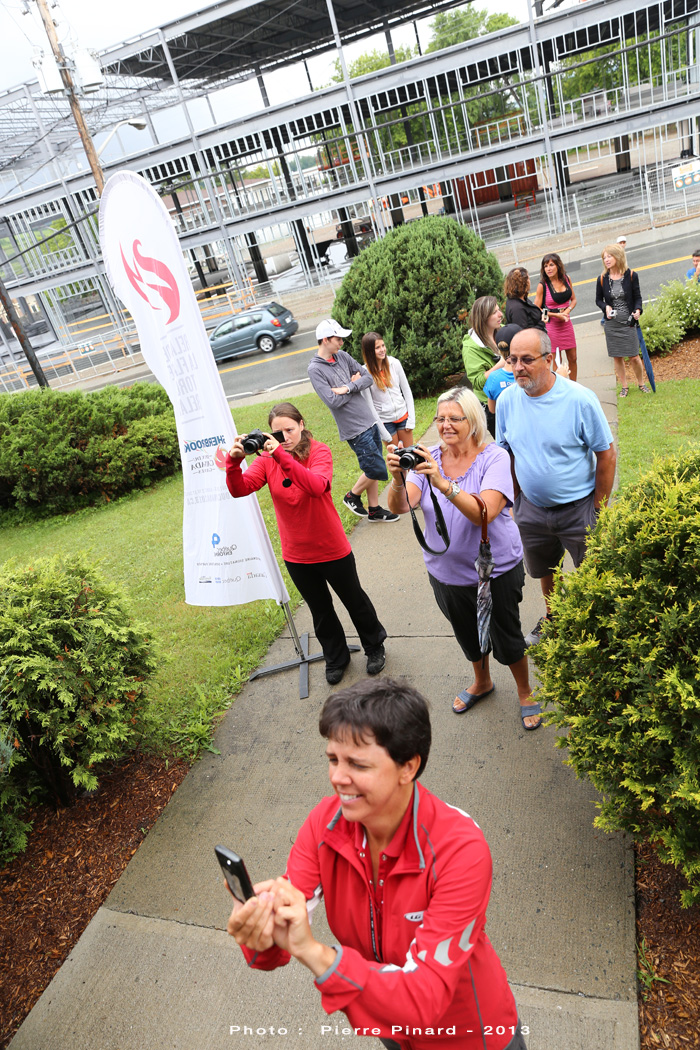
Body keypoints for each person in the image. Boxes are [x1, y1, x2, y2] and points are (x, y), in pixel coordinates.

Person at [226, 677, 528, 1050]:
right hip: (389, 1024)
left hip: (471, 1036)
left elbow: (424, 997)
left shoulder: (460, 851)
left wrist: (317, 954)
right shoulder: (325, 824)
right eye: (333, 759)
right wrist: (260, 929)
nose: (337, 777)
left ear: (409, 767)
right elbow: (276, 943)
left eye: (357, 764)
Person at [386, 386, 541, 729]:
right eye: (439, 418)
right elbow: (400, 506)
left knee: (507, 635)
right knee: (468, 634)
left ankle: (525, 691)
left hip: (494, 570)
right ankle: (483, 682)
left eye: (454, 418)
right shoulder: (429, 459)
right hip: (447, 573)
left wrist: (442, 483)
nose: (445, 425)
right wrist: (398, 479)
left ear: (472, 421)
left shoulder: (494, 457)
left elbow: (483, 512)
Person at [225, 401, 387, 684]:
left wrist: (281, 458)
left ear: (301, 425)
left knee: (354, 600)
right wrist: (234, 462)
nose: (284, 437)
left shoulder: (319, 451)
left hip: (331, 547)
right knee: (320, 610)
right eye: (277, 433)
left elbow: (316, 486)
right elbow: (240, 490)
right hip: (297, 553)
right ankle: (336, 657)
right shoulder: (266, 460)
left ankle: (375, 646)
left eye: (289, 429)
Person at [496, 329, 617, 647]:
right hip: (532, 510)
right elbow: (505, 451)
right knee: (546, 572)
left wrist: (598, 509)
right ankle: (554, 616)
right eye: (512, 360)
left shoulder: (578, 399)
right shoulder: (507, 401)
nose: (518, 367)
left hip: (579, 510)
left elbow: (606, 454)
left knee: (594, 573)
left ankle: (599, 627)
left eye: (527, 360)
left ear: (549, 359)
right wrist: (517, 499)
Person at [308, 319, 398, 522]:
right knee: (375, 468)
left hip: (368, 419)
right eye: (338, 339)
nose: (341, 343)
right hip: (354, 428)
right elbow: (332, 401)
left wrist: (348, 387)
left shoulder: (343, 357)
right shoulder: (315, 369)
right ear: (325, 340)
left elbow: (367, 378)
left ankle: (374, 509)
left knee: (372, 466)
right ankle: (352, 495)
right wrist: (353, 383)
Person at [595, 243, 650, 397]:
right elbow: (598, 300)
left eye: (609, 256)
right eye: (604, 257)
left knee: (633, 356)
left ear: (618, 256)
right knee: (617, 356)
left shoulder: (631, 275)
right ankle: (624, 386)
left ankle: (641, 383)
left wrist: (638, 310)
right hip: (611, 324)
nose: (606, 260)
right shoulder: (602, 279)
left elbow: (638, 298)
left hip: (628, 321)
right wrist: (605, 307)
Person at [361, 332, 415, 449]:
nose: (382, 350)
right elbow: (369, 406)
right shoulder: (364, 374)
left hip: (403, 417)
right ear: (369, 351)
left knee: (411, 456)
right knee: (397, 462)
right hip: (386, 423)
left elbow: (407, 391)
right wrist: (383, 432)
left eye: (383, 346)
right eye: (377, 347)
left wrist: (411, 419)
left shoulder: (394, 363)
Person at [461, 296, 506, 437]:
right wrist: (501, 364)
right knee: (507, 447)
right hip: (492, 405)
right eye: (494, 313)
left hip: (512, 395)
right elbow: (478, 382)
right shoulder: (471, 348)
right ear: (483, 318)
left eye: (499, 310)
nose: (501, 315)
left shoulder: (503, 331)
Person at [533, 253, 578, 382]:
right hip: (552, 326)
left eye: (551, 265)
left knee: (573, 358)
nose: (549, 268)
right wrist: (556, 315)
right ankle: (560, 386)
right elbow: (536, 309)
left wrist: (568, 310)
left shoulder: (566, 279)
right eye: (546, 266)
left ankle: (574, 385)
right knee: (557, 360)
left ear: (558, 265)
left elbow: (574, 300)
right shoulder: (543, 285)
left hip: (566, 323)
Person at [503, 268, 546, 333]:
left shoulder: (521, 299)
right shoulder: (517, 308)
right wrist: (542, 323)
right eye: (528, 278)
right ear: (524, 283)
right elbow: (524, 334)